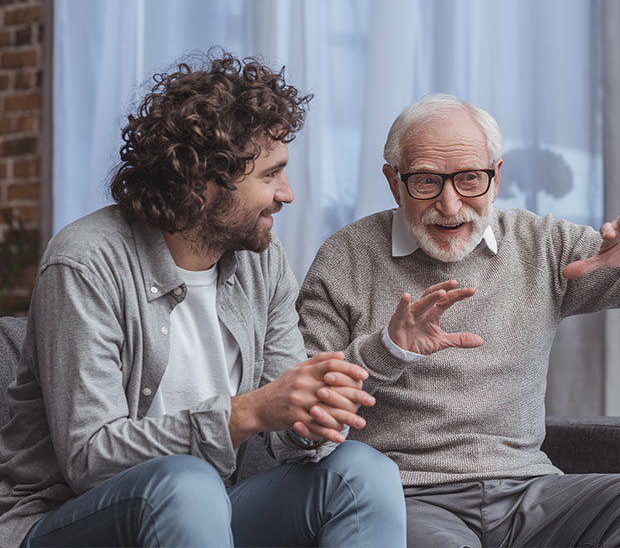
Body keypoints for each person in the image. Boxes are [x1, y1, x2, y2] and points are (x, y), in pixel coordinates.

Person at [0, 51, 406, 547]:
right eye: (270, 175)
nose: (288, 193)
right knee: (188, 485)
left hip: (207, 506)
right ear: (203, 182)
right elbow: (91, 458)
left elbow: (286, 433)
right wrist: (248, 412)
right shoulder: (85, 262)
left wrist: (311, 417)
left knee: (361, 473)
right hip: (68, 518)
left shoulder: (262, 258)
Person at [297, 93, 620, 547]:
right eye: (425, 182)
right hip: (407, 497)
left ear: (496, 178)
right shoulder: (347, 257)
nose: (451, 204)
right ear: (393, 181)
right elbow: (299, 414)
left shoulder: (542, 244)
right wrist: (388, 349)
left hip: (529, 491)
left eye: (470, 179)